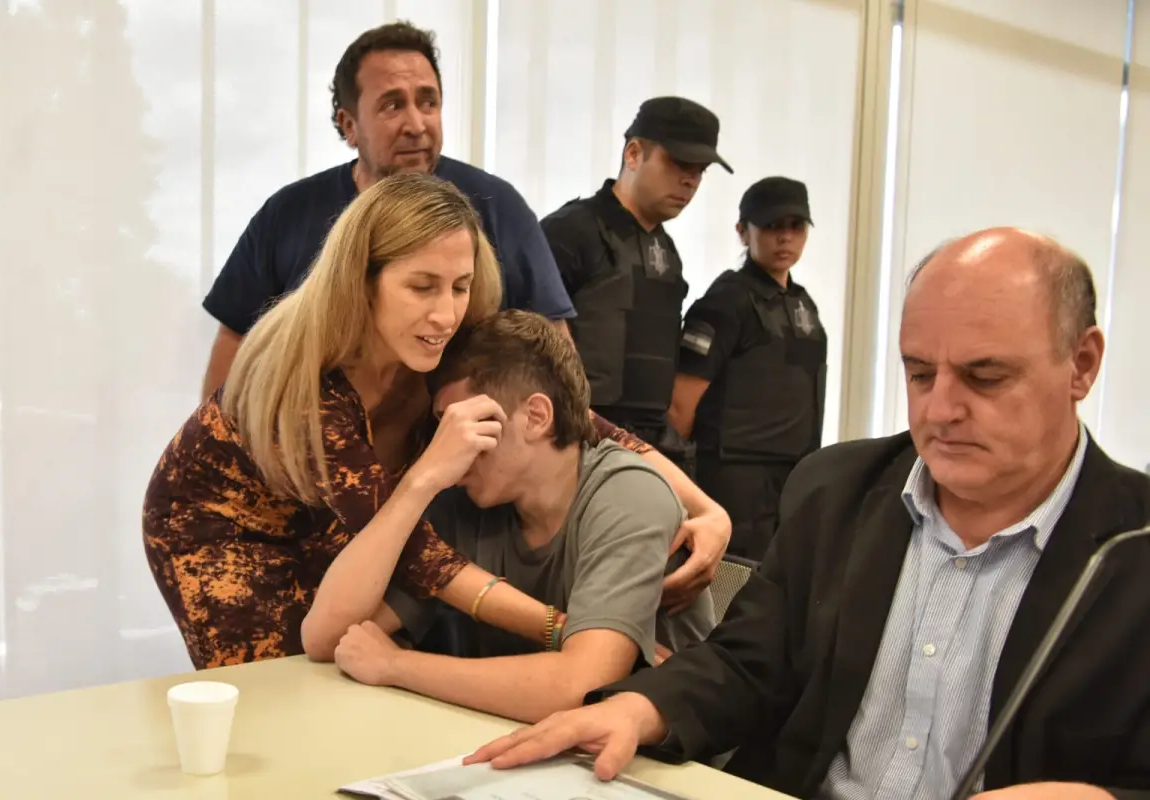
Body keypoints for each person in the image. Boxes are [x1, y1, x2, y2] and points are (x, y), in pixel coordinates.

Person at [466, 228, 1150, 800]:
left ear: (1081, 364)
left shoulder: (1132, 551)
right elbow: (748, 665)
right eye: (918, 374)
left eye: (985, 376)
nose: (940, 410)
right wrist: (641, 708)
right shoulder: (838, 490)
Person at [143, 173, 727, 670]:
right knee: (284, 685)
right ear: (361, 281)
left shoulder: (438, 342)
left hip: (351, 515)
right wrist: (570, 631)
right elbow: (422, 554)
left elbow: (569, 412)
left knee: (357, 653)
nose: (446, 312)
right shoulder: (309, 386)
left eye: (461, 286)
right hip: (230, 527)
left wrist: (706, 510)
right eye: (421, 287)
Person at [332, 311, 718, 723]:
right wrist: (418, 484)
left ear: (536, 417)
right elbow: (341, 637)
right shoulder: (465, 500)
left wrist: (397, 667)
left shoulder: (630, 494)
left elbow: (576, 687)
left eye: (467, 425)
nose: (452, 449)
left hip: (652, 767)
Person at [199, 20, 575, 401]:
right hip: (319, 446)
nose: (416, 124)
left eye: (428, 102)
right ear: (349, 125)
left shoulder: (498, 206)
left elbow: (554, 356)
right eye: (392, 105)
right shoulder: (288, 215)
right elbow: (234, 355)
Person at [539, 97, 732, 473]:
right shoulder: (570, 232)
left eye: (700, 170)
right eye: (678, 163)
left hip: (650, 445)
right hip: (579, 441)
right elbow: (525, 345)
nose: (690, 180)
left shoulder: (667, 252)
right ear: (633, 154)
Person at [668, 177, 827, 560]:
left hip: (791, 474)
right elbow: (680, 405)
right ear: (743, 232)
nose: (785, 238)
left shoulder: (802, 304)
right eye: (772, 227)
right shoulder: (727, 301)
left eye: (795, 227)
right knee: (731, 583)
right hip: (734, 477)